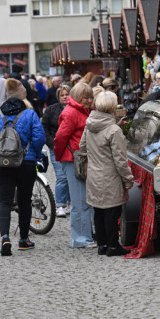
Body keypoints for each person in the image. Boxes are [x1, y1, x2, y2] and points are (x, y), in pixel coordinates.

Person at [0, 78, 46, 256]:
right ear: (22, 96)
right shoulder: (30, 114)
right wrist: (33, 153)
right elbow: (40, 138)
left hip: (3, 164)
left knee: (4, 201)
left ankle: (4, 237)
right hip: (26, 163)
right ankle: (24, 239)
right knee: (25, 201)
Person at [80, 90, 134, 256]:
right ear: (112, 108)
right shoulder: (113, 130)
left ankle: (102, 244)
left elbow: (82, 147)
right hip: (110, 176)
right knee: (112, 212)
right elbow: (120, 159)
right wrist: (128, 179)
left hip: (94, 174)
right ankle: (112, 246)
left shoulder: (89, 124)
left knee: (99, 211)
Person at [54, 82, 96, 248]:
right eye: (86, 97)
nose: (89, 100)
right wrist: (62, 158)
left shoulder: (81, 110)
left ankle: (86, 235)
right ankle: (80, 239)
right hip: (74, 160)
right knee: (79, 202)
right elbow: (59, 138)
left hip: (79, 159)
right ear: (78, 97)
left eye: (90, 97)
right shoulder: (71, 112)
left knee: (85, 200)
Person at [42, 84, 72, 217]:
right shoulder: (51, 110)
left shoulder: (75, 109)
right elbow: (44, 127)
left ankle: (70, 203)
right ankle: (60, 204)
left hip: (71, 147)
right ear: (58, 97)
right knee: (61, 177)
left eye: (67, 94)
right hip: (55, 146)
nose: (65, 97)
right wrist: (50, 142)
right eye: (62, 95)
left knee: (71, 176)